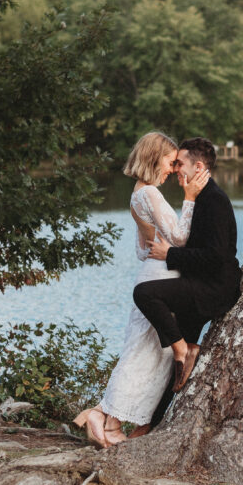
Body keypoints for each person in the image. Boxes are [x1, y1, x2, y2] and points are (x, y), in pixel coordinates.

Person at [73, 132, 210, 448]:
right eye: (169, 161)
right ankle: (105, 419)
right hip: (159, 279)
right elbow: (178, 237)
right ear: (153, 158)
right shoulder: (149, 194)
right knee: (141, 353)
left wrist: (162, 249)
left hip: (152, 273)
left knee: (146, 352)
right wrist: (190, 198)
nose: (173, 169)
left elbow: (141, 249)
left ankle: (109, 420)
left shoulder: (137, 194)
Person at [133, 137, 242, 430]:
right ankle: (147, 428)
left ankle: (184, 348)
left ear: (199, 167)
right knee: (174, 370)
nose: (176, 168)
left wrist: (171, 254)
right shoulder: (198, 197)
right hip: (198, 283)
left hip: (215, 288)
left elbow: (217, 257)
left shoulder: (215, 201)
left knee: (144, 294)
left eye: (180, 163)